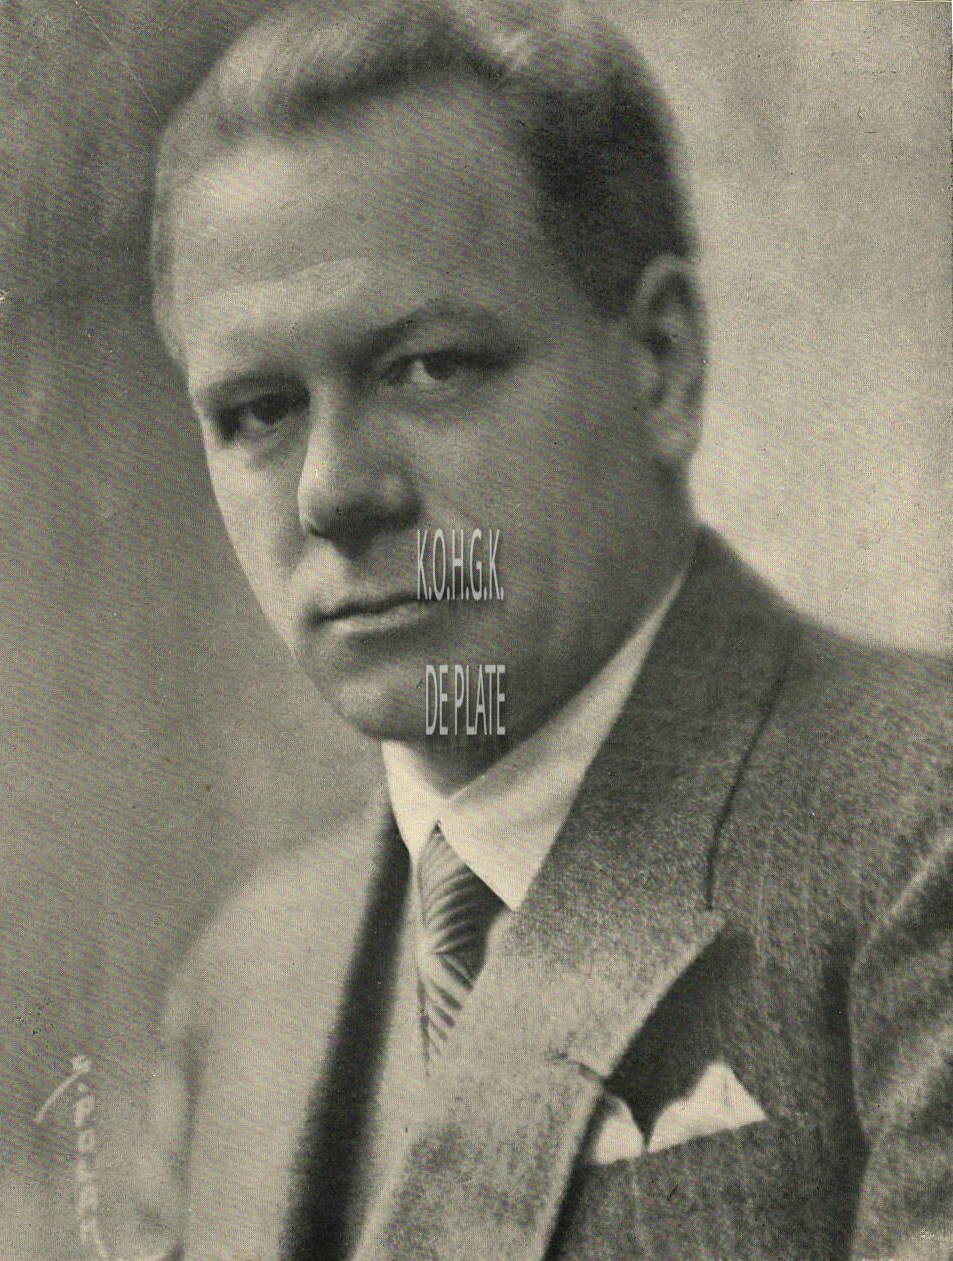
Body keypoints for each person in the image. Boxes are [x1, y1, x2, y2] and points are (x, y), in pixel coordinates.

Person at [135, 2, 953, 1258]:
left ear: (660, 362)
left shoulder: (916, 830)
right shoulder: (241, 983)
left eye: (429, 367)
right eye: (255, 412)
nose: (333, 493)